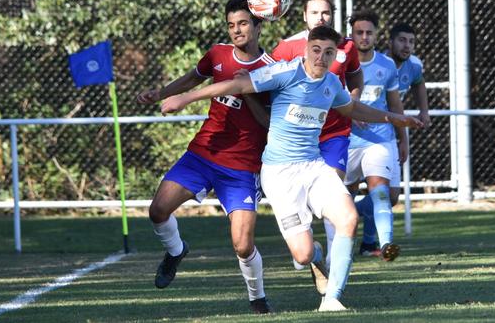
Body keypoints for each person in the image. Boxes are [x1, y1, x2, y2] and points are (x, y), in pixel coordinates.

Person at [160, 26, 423, 311]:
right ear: (307, 48)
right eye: (316, 50)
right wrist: (184, 98)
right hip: (280, 175)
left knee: (347, 218)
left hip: (313, 167)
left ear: (335, 55)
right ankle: (316, 256)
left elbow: (353, 109)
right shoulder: (285, 72)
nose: (321, 57)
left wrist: (394, 118)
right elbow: (235, 85)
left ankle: (331, 299)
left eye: (328, 52)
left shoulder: (333, 84)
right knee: (304, 253)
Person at [136, 0, 274, 314]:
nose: (237, 30)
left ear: (258, 25)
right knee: (158, 210)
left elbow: (269, 124)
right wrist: (160, 93)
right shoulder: (218, 54)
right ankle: (175, 251)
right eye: (231, 24)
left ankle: (258, 299)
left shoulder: (271, 70)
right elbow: (192, 78)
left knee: (242, 244)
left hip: (241, 168)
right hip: (203, 154)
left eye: (243, 23)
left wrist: (244, 89)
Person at [271, 0, 364, 270]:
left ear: (332, 16)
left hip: (333, 134)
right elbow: (269, 83)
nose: (320, 18)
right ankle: (310, 250)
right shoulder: (287, 48)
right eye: (314, 13)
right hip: (298, 140)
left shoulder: (346, 46)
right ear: (304, 16)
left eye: (325, 13)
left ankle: (337, 266)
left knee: (334, 192)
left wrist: (353, 100)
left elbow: (356, 75)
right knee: (302, 201)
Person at [358, 22, 432, 257]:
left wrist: (424, 111)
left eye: (411, 41)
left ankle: (367, 241)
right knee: (372, 192)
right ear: (389, 42)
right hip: (356, 135)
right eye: (402, 40)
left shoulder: (414, 65)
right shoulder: (376, 62)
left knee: (390, 196)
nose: (407, 46)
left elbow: (419, 84)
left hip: (386, 133)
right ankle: (369, 240)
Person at [341, 8, 406, 261]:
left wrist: (403, 139)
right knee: (346, 199)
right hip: (347, 142)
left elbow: (395, 105)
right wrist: (350, 113)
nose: (364, 37)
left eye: (369, 32)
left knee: (382, 193)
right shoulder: (340, 63)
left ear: (376, 35)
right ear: (352, 34)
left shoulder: (387, 65)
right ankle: (345, 246)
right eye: (360, 32)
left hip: (380, 140)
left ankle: (387, 243)